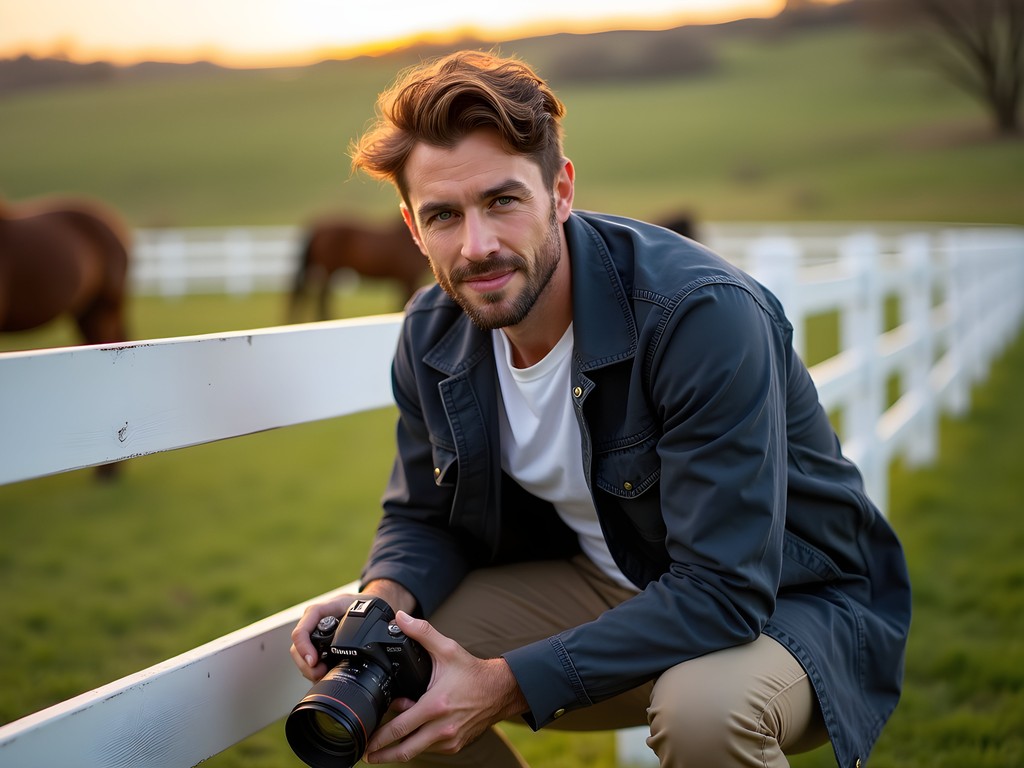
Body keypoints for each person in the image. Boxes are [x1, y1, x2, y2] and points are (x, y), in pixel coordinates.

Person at [290, 50, 911, 768]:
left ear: (560, 190)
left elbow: (725, 590)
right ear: (412, 227)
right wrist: (379, 604)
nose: (478, 245)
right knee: (394, 666)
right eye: (443, 216)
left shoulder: (697, 315)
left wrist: (503, 683)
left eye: (502, 200)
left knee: (704, 712)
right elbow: (422, 516)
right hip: (608, 581)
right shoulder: (432, 330)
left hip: (787, 606)